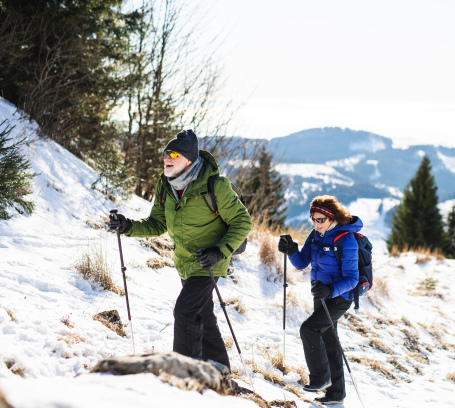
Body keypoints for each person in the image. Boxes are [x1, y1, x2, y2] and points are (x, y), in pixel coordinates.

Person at [109, 129, 252, 370]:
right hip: (185, 261)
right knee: (202, 314)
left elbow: (242, 221)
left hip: (210, 261)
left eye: (173, 153)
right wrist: (128, 226)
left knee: (185, 311)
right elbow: (157, 223)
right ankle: (219, 368)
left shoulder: (215, 185)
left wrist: (219, 252)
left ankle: (183, 374)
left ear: (189, 160)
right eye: (166, 152)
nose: (167, 157)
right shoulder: (165, 185)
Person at [278, 196, 362, 406]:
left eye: (321, 219)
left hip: (339, 298)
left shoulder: (346, 239)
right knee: (329, 341)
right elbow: (301, 263)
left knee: (309, 329)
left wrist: (330, 289)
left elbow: (352, 279)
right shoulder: (316, 235)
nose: (316, 223)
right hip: (322, 296)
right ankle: (336, 394)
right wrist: (292, 251)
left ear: (331, 218)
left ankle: (321, 378)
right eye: (313, 219)